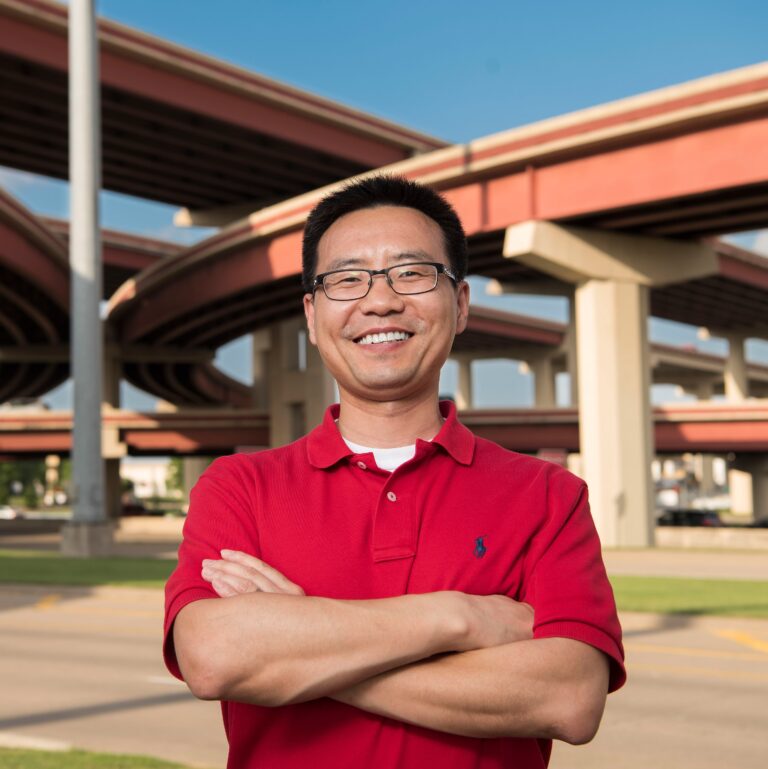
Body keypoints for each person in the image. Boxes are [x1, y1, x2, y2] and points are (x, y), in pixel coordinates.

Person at [163, 175, 625, 769]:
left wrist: (296, 645)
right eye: (346, 279)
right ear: (311, 314)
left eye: (411, 273)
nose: (379, 301)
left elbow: (569, 697)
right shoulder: (239, 486)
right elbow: (215, 656)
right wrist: (460, 617)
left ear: (459, 305)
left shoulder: (549, 496)